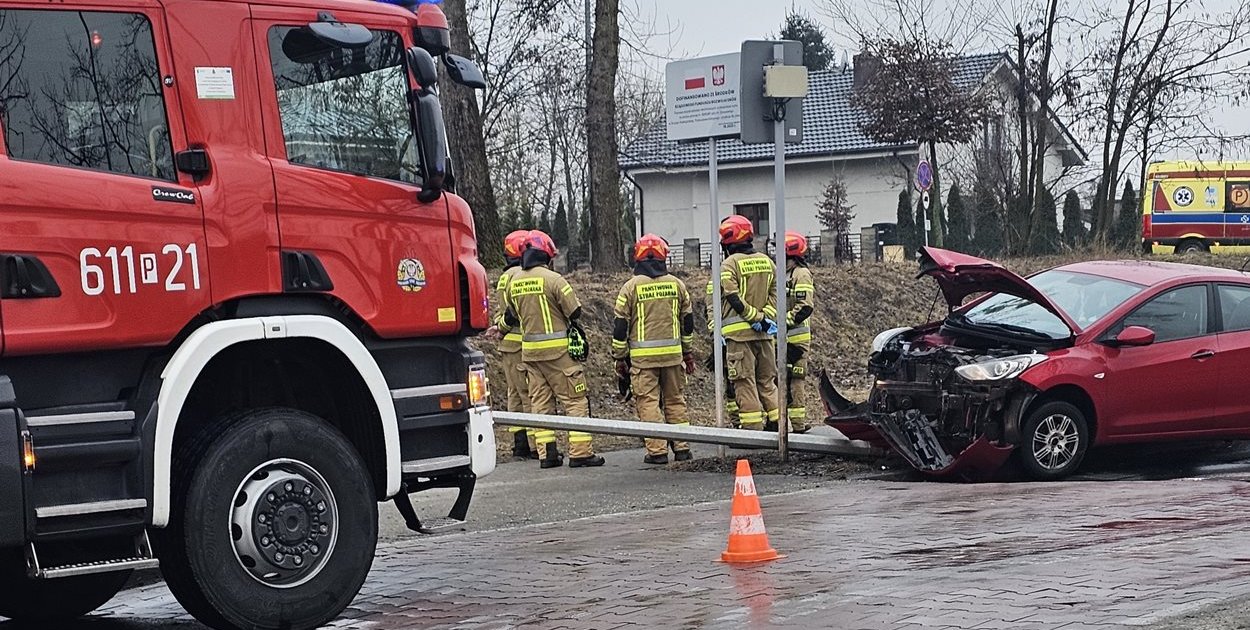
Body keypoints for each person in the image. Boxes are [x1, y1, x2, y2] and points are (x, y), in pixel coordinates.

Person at [504, 230, 604, 469]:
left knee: (540, 405)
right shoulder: (554, 280)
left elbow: (511, 316)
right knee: (575, 400)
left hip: (530, 354)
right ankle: (580, 453)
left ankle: (547, 455)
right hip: (560, 354)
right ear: (546, 255)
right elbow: (575, 311)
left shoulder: (513, 281)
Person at [612, 234, 697, 465]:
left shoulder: (630, 288)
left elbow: (620, 327)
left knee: (648, 402)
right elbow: (687, 322)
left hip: (642, 360)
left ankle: (657, 451)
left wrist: (619, 358)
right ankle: (682, 448)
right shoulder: (677, 285)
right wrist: (687, 352)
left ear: (637, 256)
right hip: (673, 356)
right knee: (675, 400)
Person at [716, 215, 779, 431]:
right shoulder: (767, 262)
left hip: (739, 337)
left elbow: (732, 297)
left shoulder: (729, 264)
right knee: (768, 382)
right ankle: (780, 425)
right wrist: (765, 317)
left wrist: (754, 317)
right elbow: (775, 294)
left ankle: (753, 431)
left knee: (745, 383)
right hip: (765, 335)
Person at [494, 229, 537, 457]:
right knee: (529, 394)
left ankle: (519, 443)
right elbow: (514, 311)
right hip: (522, 343)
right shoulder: (520, 276)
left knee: (515, 395)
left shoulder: (503, 278)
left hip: (508, 345)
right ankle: (536, 446)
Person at [782, 231, 816, 434]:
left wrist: (782, 323)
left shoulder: (801, 274)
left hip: (797, 339)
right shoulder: (785, 273)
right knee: (782, 380)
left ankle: (798, 425)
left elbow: (805, 307)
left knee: (796, 380)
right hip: (782, 337)